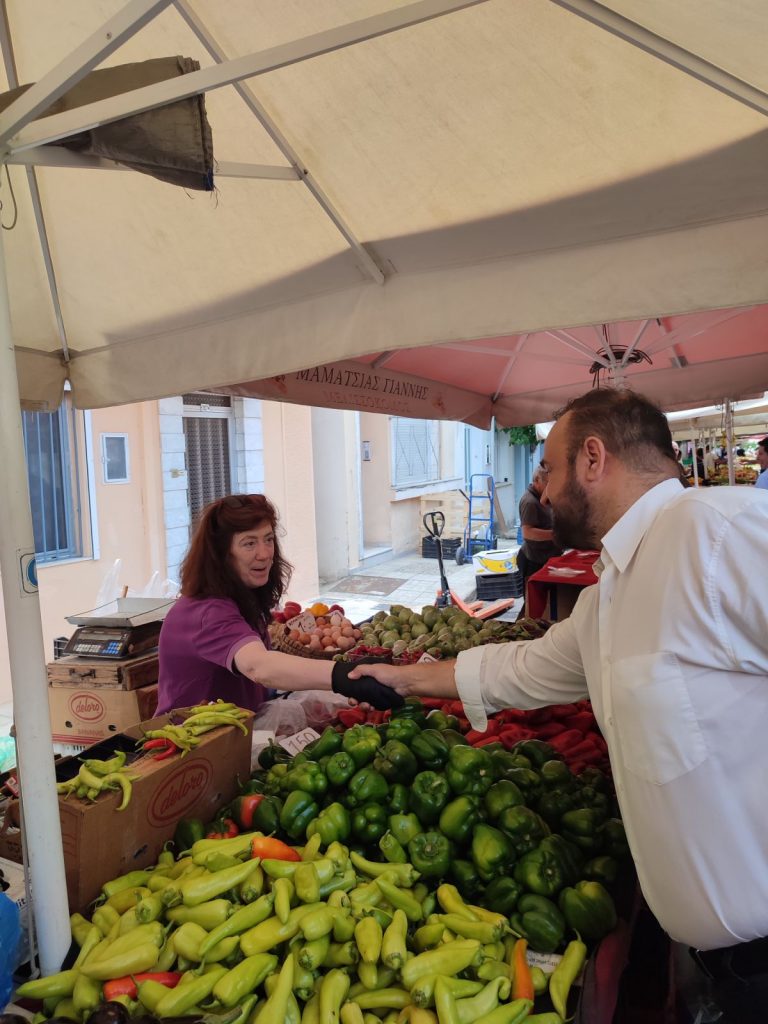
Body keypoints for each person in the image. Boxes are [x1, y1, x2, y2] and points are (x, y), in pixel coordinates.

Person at [352, 388, 768, 1023]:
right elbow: (517, 667)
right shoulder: (610, 595)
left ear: (593, 458)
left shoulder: (715, 533)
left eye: (547, 467)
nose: (540, 489)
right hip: (716, 967)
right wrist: (398, 679)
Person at [157, 494, 400, 714]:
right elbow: (258, 667)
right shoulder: (207, 611)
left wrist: (332, 694)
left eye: (269, 539)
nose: (264, 554)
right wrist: (345, 676)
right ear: (220, 555)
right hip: (194, 748)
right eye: (249, 543)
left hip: (236, 732)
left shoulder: (242, 597)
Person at [516, 465, 562, 610]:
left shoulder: (544, 497)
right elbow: (527, 532)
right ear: (537, 480)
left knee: (547, 605)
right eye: (547, 483)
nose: (550, 487)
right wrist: (556, 535)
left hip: (546, 558)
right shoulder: (529, 502)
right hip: (533, 561)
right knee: (534, 607)